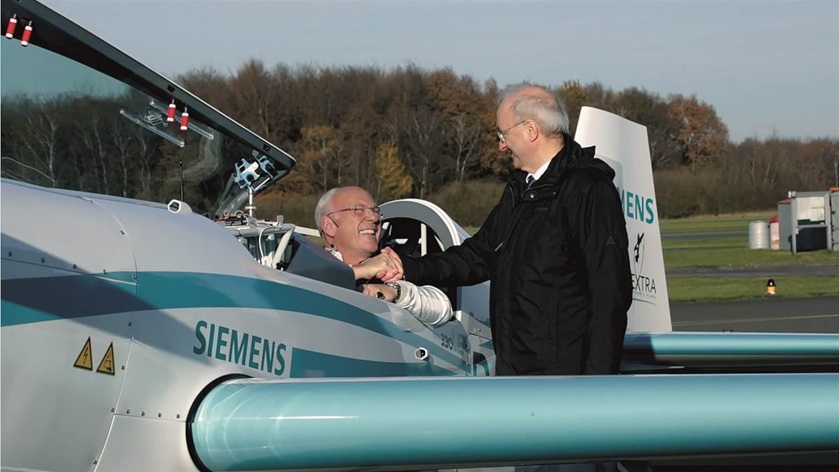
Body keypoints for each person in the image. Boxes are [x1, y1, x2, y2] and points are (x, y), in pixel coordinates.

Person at [384, 84, 632, 376]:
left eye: (503, 134)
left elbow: (609, 293)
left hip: (564, 382)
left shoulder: (587, 189)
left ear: (530, 130)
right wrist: (403, 267)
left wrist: (597, 386)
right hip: (516, 375)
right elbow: (478, 256)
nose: (501, 145)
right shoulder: (521, 190)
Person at [316, 186, 452, 327]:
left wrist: (397, 291)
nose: (374, 218)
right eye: (358, 210)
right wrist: (356, 271)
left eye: (375, 211)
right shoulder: (303, 263)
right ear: (329, 225)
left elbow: (443, 309)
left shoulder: (389, 269)